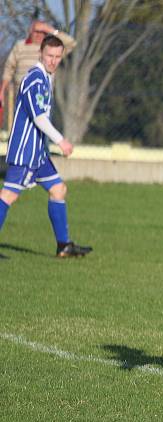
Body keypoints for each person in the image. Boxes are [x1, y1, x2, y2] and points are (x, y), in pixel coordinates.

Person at [0, 35, 92, 258]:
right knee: (8, 195)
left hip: (38, 152)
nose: (53, 60)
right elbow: (39, 117)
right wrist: (61, 140)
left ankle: (64, 246)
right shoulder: (35, 79)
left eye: (58, 57)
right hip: (25, 151)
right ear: (41, 53)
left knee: (58, 189)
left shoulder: (46, 77)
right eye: (49, 55)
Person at [1, 20, 76, 131]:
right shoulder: (19, 46)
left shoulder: (51, 49)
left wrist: (49, 29)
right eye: (36, 31)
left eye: (42, 32)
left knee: (43, 131)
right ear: (30, 31)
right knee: (21, 130)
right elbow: (8, 69)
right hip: (22, 96)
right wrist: (2, 91)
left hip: (43, 97)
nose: (39, 34)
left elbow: (71, 43)